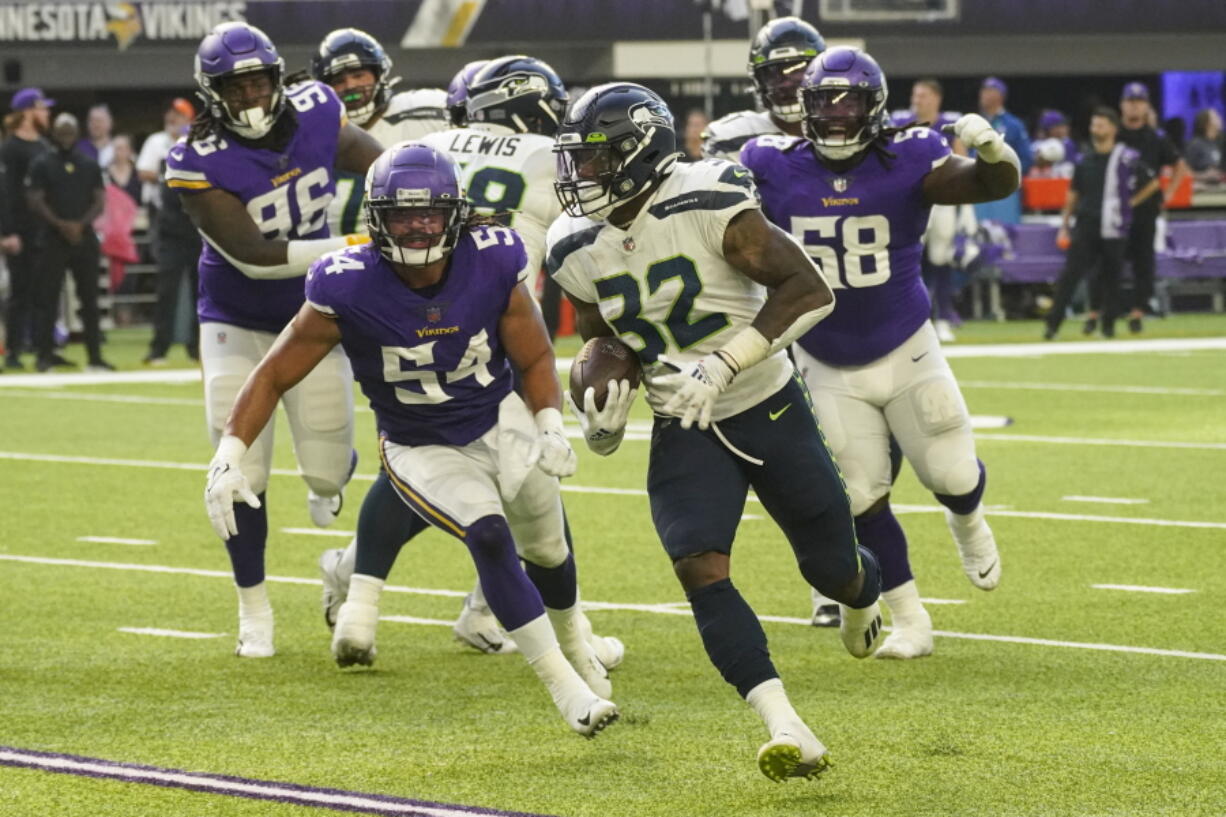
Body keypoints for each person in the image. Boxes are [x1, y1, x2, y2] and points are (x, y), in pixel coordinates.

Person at [204, 141, 618, 738]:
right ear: (377, 218)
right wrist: (229, 455)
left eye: (429, 214)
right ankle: (566, 689)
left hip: (498, 417)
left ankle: (578, 642)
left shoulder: (494, 257)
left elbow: (533, 355)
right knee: (490, 536)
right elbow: (271, 373)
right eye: (402, 215)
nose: (418, 228)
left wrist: (549, 422)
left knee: (549, 549)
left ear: (454, 213)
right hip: (419, 442)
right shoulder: (345, 284)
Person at [550, 82, 883, 780]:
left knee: (835, 569)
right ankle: (783, 720)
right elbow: (606, 344)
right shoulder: (572, 244)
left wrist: (727, 361)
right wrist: (602, 416)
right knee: (698, 565)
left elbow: (808, 288)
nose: (579, 176)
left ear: (640, 152)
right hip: (683, 419)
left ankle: (864, 594)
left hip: (766, 403)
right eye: (575, 161)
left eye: (593, 159)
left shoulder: (709, 197)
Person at [323, 55, 622, 668]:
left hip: (420, 308)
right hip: (496, 322)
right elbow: (588, 237)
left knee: (433, 464)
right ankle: (541, 625)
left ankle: (365, 588)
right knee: (518, 478)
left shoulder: (426, 144)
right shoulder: (546, 155)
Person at [741, 47, 1015, 660]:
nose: (836, 118)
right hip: (824, 355)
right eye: (824, 104)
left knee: (952, 475)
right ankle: (910, 619)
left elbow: (991, 184)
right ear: (804, 108)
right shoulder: (771, 163)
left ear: (875, 106)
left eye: (849, 103)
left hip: (906, 342)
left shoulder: (909, 155)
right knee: (862, 494)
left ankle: (969, 523)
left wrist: (994, 150)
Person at [167, 21, 384, 658]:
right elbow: (255, 257)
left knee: (324, 471)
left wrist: (407, 203)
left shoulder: (318, 110)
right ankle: (253, 608)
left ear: (280, 78)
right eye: (237, 88)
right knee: (240, 470)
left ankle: (328, 485)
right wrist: (355, 244)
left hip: (313, 313)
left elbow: (380, 163)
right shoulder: (197, 157)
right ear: (213, 96)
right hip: (235, 313)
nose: (253, 97)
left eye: (261, 81)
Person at [310, 28, 450, 237]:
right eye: (339, 81)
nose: (350, 86)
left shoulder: (428, 109)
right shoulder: (316, 134)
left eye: (358, 75)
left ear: (380, 74)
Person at [1044, 108, 1149, 340]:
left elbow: (1150, 183)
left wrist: (1128, 204)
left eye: (1101, 125)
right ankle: (1053, 324)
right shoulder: (1085, 160)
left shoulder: (1126, 158)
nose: (1096, 129)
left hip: (1113, 225)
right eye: (1094, 125)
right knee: (1070, 275)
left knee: (1113, 276)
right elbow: (1073, 193)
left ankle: (1109, 325)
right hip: (1087, 224)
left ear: (1113, 128)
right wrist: (1065, 223)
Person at [891, 77, 974, 345]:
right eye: (915, 95)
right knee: (907, 259)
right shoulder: (901, 122)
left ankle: (943, 318)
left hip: (941, 202)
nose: (917, 100)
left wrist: (966, 206)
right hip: (909, 198)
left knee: (941, 259)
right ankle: (911, 320)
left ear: (936, 98)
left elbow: (963, 164)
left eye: (923, 95)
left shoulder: (948, 125)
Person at [26, 112, 111, 372]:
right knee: (47, 299)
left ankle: (95, 356)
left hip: (84, 238)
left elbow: (99, 199)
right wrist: (61, 225)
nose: (66, 137)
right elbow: (35, 200)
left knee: (89, 299)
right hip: (52, 239)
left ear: (77, 134)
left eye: (70, 132)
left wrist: (80, 225)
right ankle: (45, 355)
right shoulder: (42, 163)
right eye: (62, 131)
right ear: (54, 133)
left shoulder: (88, 164)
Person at [1117, 81, 1189, 333]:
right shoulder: (1115, 134)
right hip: (1115, 207)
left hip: (1145, 209)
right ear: (1123, 105)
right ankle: (1109, 308)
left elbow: (1179, 165)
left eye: (1139, 102)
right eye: (1130, 101)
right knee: (1109, 257)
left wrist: (1168, 193)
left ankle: (1138, 310)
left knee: (1143, 261)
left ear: (1146, 106)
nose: (1134, 106)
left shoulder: (1155, 138)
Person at [700, 16, 824, 161]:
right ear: (757, 80)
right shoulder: (732, 137)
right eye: (773, 74)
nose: (785, 85)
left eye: (797, 72)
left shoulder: (841, 131)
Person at [1, 87, 53, 370]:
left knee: (44, 292)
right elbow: (6, 193)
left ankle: (44, 347)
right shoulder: (10, 149)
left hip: (44, 230)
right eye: (42, 109)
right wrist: (7, 232)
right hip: (20, 231)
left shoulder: (44, 147)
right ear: (27, 112)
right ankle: (14, 350)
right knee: (20, 292)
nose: (46, 114)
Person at [972, 77, 1031, 225]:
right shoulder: (973, 122)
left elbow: (1026, 158)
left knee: (1005, 232)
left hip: (1004, 191)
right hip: (976, 187)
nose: (983, 94)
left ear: (1000, 96)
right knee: (976, 233)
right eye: (983, 90)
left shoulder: (1013, 124)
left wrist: (1009, 176)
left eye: (989, 91)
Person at [136, 97, 195, 223]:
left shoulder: (196, 142)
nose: (171, 118)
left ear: (188, 119)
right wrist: (168, 177)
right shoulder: (155, 140)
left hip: (190, 209)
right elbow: (143, 173)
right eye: (169, 113)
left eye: (178, 114)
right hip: (159, 208)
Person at [1185, 108, 1222, 182]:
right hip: (1200, 191)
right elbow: (1184, 172)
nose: (1220, 118)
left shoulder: (1215, 143)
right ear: (1207, 123)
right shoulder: (1195, 144)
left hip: (1214, 190)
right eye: (1216, 117)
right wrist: (1203, 176)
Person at [76, 103, 115, 169]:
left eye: (99, 120)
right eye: (92, 120)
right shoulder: (78, 148)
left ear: (110, 123)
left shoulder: (119, 148)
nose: (96, 124)